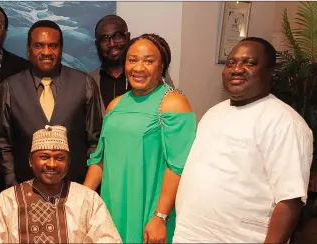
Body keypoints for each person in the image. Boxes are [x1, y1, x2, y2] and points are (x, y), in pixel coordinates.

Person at [174, 37, 313, 243]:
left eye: (249, 63)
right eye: (231, 63)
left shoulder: (284, 122)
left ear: (270, 72)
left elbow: (290, 199)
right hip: (189, 235)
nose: (237, 69)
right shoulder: (213, 113)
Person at [83, 33, 197, 243]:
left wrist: (160, 216)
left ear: (162, 66)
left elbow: (178, 167)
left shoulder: (173, 103)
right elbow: (99, 160)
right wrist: (81, 202)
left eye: (148, 61)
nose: (138, 68)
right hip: (111, 206)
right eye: (132, 59)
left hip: (150, 211)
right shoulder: (115, 105)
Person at [0, 20, 103, 189]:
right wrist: (13, 187)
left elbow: (95, 142)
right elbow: (3, 144)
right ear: (28, 50)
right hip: (25, 190)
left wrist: (86, 190)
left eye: (53, 46)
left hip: (75, 189)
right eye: (39, 45)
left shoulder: (85, 84)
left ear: (61, 49)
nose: (46, 52)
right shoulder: (9, 87)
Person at [0, 125, 122, 243]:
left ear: (68, 162)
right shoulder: (8, 200)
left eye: (59, 158)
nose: (52, 164)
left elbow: (107, 238)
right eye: (44, 157)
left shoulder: (88, 199)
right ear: (31, 161)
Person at [88, 15, 131, 110]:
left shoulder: (147, 76)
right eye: (105, 39)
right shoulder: (88, 82)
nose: (112, 44)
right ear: (97, 44)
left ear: (128, 37)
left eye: (118, 36)